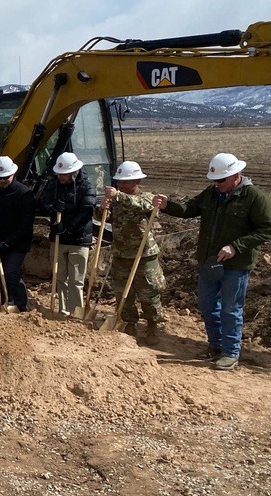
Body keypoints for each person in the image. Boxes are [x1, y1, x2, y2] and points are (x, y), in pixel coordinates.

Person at [154, 153, 271, 370]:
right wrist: (168, 205)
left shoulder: (254, 197)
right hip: (210, 262)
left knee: (230, 309)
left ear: (236, 175)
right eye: (214, 181)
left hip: (236, 265)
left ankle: (230, 352)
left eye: (221, 180)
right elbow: (189, 209)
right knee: (208, 305)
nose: (217, 185)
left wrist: (236, 246)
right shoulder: (212, 193)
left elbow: (266, 228)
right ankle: (215, 345)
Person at [102, 161, 164, 345]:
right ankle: (130, 323)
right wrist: (102, 208)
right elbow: (103, 218)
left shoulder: (146, 198)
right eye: (119, 181)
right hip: (121, 254)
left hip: (144, 255)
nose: (121, 185)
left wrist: (118, 196)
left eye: (125, 182)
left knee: (149, 293)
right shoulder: (117, 200)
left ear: (137, 181)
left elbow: (144, 207)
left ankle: (152, 326)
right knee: (123, 293)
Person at [40, 152, 96, 316]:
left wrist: (68, 227)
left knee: (76, 280)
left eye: (64, 174)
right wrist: (52, 208)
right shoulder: (53, 185)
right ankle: (63, 310)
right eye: (59, 173)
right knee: (59, 277)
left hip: (78, 240)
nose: (60, 177)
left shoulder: (87, 188)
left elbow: (86, 211)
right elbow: (44, 203)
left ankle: (76, 311)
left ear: (74, 172)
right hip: (58, 239)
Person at [0, 156, 36, 312]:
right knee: (2, 272)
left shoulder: (25, 194)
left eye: (5, 178)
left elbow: (25, 224)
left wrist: (8, 242)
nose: (2, 181)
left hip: (18, 241)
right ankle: (7, 301)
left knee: (11, 271)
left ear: (13, 174)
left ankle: (22, 305)